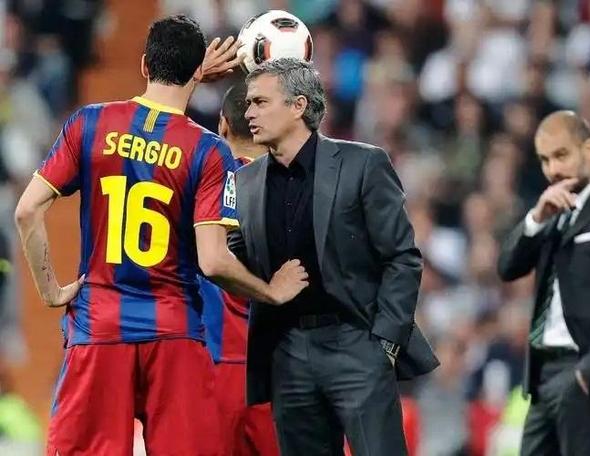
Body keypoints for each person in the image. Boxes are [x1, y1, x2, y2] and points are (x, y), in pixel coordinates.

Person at [14, 16, 308, 455]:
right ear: (197, 71)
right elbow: (213, 261)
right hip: (174, 333)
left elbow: (26, 211)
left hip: (99, 327)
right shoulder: (208, 150)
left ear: (143, 65)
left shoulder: (89, 124)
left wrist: (51, 290)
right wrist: (271, 292)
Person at [229, 58, 439, 456]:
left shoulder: (363, 163)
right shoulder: (244, 182)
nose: (249, 113)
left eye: (260, 102)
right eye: (248, 103)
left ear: (298, 106)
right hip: (287, 351)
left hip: (356, 341)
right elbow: (235, 261)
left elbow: (402, 257)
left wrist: (385, 345)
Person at [497, 110, 590, 455]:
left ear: (589, 149)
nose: (553, 169)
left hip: (583, 374)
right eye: (544, 160)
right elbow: (507, 268)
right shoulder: (552, 214)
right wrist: (536, 219)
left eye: (561, 155)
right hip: (542, 374)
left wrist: (587, 373)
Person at [199, 80, 279, 456]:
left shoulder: (196, 182)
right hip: (278, 371)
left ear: (223, 124)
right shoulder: (302, 189)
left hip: (210, 367)